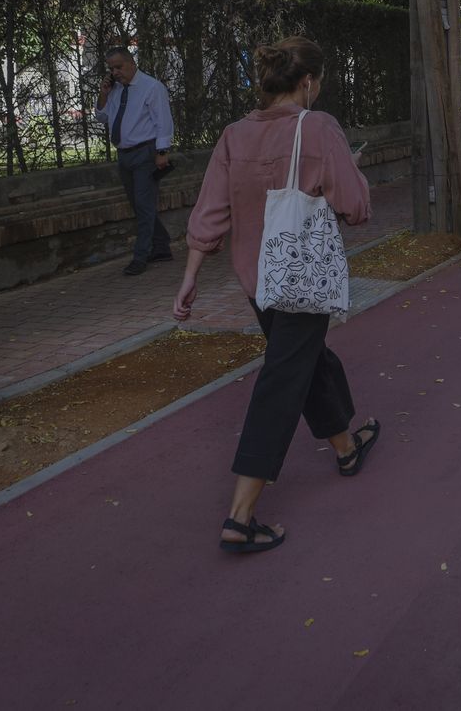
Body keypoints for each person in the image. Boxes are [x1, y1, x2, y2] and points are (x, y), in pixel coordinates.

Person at [173, 36, 377, 555]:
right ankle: (240, 516)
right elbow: (354, 206)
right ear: (307, 82)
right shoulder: (319, 126)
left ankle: (346, 446)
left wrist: (190, 275)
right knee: (282, 379)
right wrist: (343, 169)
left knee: (305, 361)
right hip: (301, 277)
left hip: (255, 280)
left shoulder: (234, 134)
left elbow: (211, 211)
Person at [95, 46, 174, 276]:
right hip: (124, 154)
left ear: (131, 63)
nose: (115, 72)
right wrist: (104, 93)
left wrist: (162, 151)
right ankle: (161, 246)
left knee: (143, 204)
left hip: (145, 153)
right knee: (139, 205)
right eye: (111, 68)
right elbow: (101, 117)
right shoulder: (116, 90)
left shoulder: (152, 87)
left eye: (119, 67)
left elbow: (163, 120)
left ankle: (141, 256)